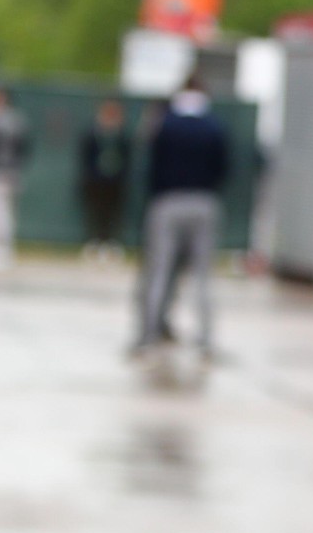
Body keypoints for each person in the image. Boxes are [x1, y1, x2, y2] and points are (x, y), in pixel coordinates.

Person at [133, 75, 229, 357]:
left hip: (167, 200)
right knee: (203, 274)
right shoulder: (214, 126)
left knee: (159, 270)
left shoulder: (166, 124)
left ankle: (148, 333)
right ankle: (206, 337)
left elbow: (151, 160)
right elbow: (223, 166)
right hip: (204, 201)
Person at [79, 98, 133, 259]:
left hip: (115, 182)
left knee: (114, 213)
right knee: (96, 212)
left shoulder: (122, 135)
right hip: (96, 181)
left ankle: (111, 243)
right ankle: (94, 242)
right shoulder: (93, 133)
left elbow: (127, 158)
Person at [0, 86, 30, 270]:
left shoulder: (13, 121)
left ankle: (4, 250)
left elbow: (22, 148)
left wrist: (14, 169)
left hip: (6, 173)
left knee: (3, 213)